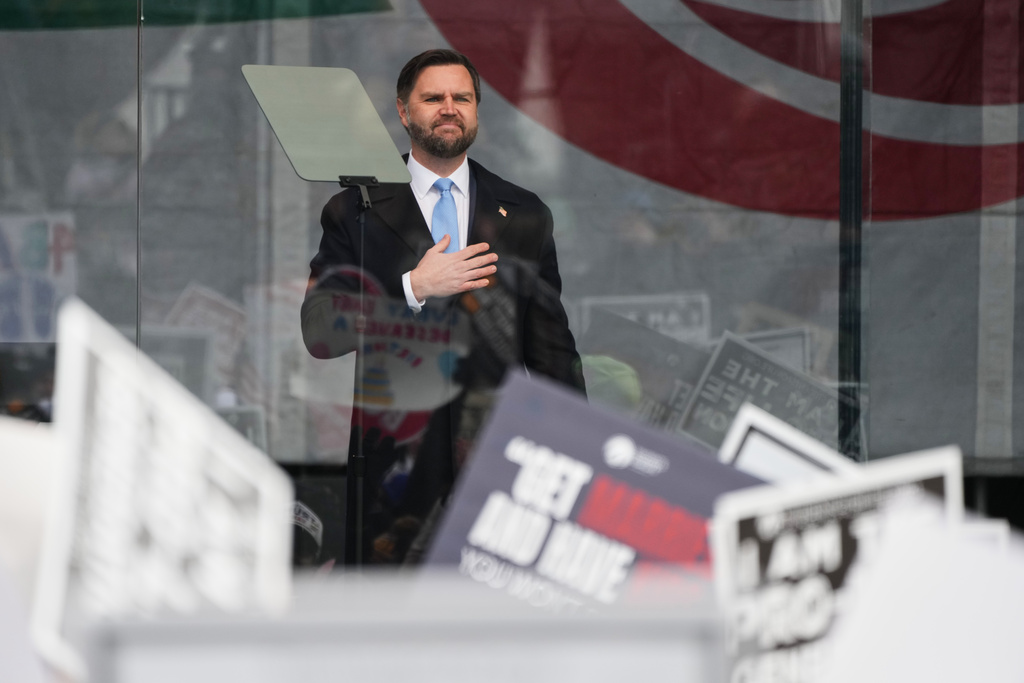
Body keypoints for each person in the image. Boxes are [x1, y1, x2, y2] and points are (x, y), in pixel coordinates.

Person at [301, 49, 585, 564]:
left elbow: (552, 355)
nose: (449, 108)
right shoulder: (355, 209)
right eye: (433, 97)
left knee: (494, 630)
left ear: (477, 111)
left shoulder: (523, 213)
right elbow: (321, 332)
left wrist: (573, 455)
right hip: (394, 469)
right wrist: (411, 286)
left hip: (498, 463)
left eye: (463, 98)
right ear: (404, 112)